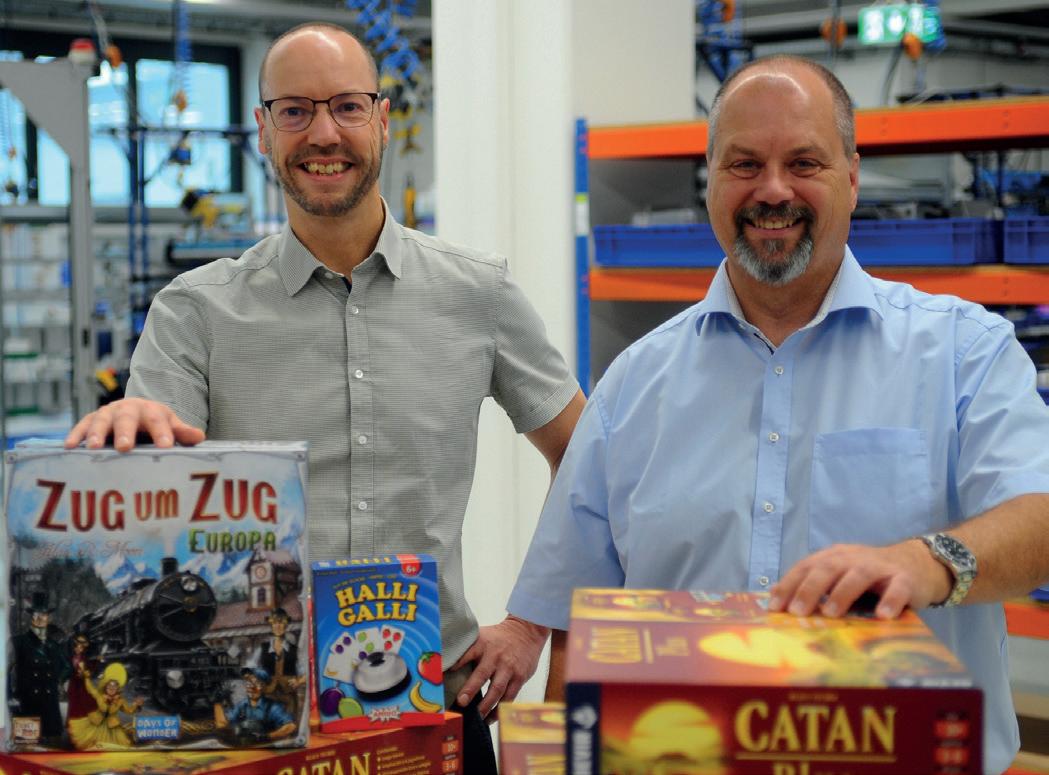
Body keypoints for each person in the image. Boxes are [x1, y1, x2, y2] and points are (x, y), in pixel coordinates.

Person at [506, 55, 1049, 774]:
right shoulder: (631, 386)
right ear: (709, 179)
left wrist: (924, 562)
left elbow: (1039, 518)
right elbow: (580, 622)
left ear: (851, 177)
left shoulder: (962, 351)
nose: (772, 189)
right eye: (743, 164)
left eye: (803, 163)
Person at [64, 21, 584, 770]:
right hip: (258, 720)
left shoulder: (479, 294)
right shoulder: (196, 312)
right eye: (295, 111)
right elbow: (158, 498)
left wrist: (531, 621)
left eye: (346, 106)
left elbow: (587, 459)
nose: (323, 134)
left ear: (381, 117)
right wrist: (130, 436)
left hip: (433, 707)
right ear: (263, 129)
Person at [8, 591, 70, 744]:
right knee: (27, 749)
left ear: (49, 617)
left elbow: (67, 667)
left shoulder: (54, 646)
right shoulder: (18, 642)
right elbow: (5, 673)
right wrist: (10, 697)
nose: (41, 617)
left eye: (44, 614)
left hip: (50, 709)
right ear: (32, 616)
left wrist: (59, 681)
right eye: (37, 614)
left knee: (53, 751)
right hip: (27, 705)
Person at [67, 662, 144, 750]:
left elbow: (129, 710)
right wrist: (86, 677)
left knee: (123, 744)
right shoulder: (100, 696)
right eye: (109, 687)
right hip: (97, 723)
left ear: (118, 689)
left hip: (113, 726)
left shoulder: (120, 700)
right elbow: (90, 689)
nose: (111, 689)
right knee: (93, 744)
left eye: (114, 687)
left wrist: (136, 705)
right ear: (105, 687)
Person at [213, 667, 296, 744]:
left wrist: (266, 737)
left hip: (266, 748)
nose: (251, 687)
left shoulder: (272, 707)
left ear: (264, 687)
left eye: (257, 683)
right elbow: (223, 724)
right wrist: (217, 704)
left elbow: (290, 726)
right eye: (248, 683)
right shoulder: (242, 705)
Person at [254, 607, 306, 720]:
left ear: (286, 625)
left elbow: (307, 672)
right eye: (275, 622)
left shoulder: (295, 650)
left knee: (289, 724)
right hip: (267, 697)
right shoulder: (262, 648)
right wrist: (257, 682)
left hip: (288, 698)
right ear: (271, 625)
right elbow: (251, 669)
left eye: (281, 622)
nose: (278, 626)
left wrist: (299, 681)